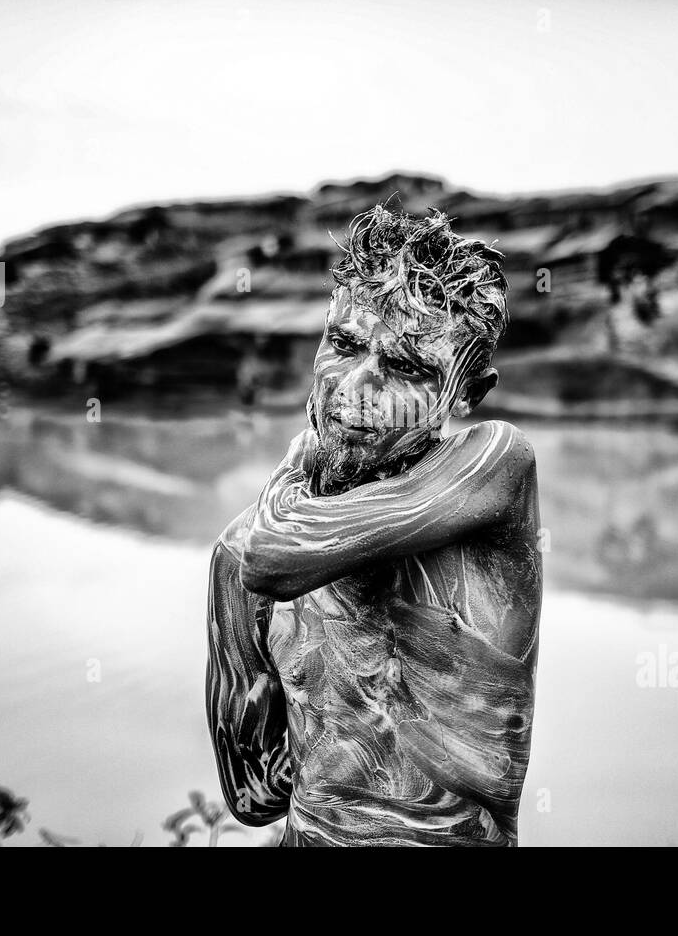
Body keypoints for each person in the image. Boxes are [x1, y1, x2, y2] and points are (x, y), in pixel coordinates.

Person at [206, 205, 542, 846]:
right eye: (345, 343)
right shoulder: (240, 561)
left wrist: (300, 459)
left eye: (409, 367)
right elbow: (252, 798)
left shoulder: (496, 466)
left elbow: (274, 555)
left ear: (466, 393)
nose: (359, 385)